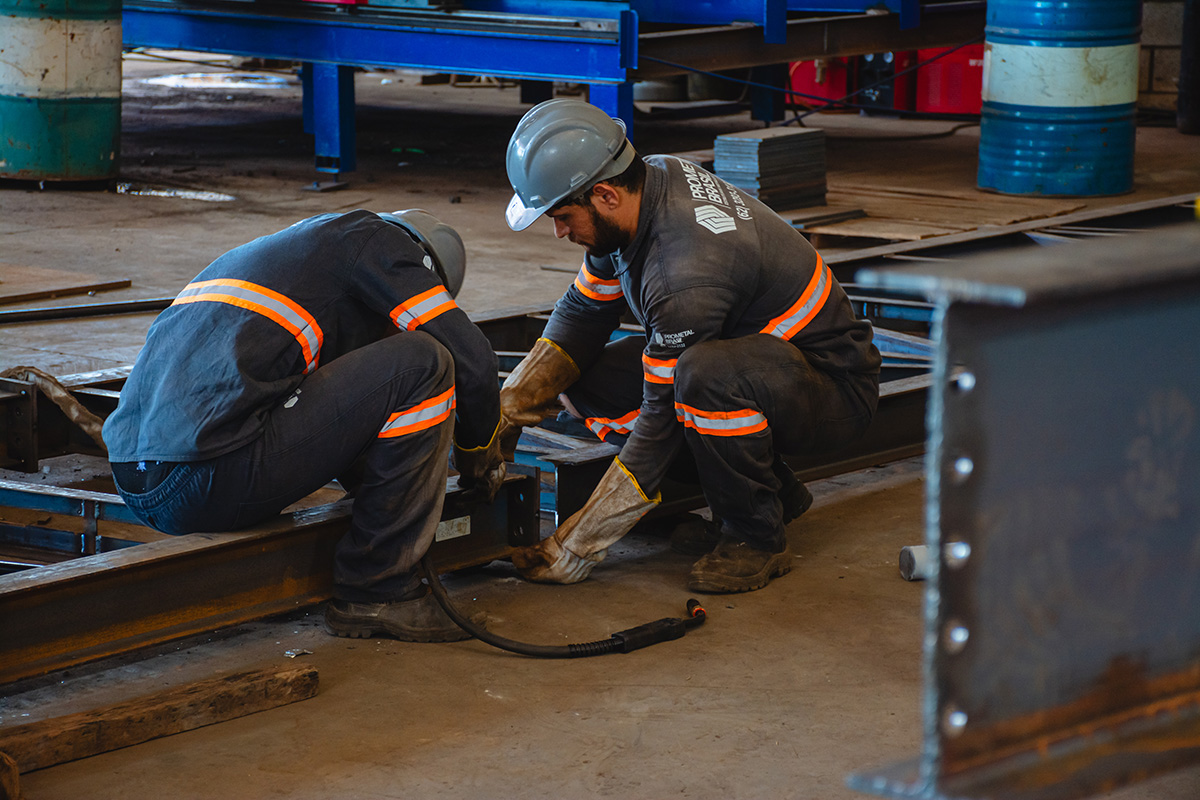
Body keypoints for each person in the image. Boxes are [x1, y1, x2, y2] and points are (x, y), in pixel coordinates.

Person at [499, 99, 881, 593]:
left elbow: (659, 423)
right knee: (586, 378)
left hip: (831, 386)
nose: (559, 231)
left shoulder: (683, 274)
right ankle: (773, 493)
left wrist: (581, 542)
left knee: (704, 378)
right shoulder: (648, 181)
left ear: (605, 195)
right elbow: (582, 312)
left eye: (563, 215)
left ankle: (755, 536)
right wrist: (509, 408)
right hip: (761, 364)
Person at [103, 209, 505, 641]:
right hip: (210, 475)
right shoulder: (377, 242)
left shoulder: (288, 262)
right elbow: (473, 360)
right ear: (421, 266)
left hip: (135, 481)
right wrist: (478, 454)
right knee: (427, 361)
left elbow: (332, 407)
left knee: (387, 371)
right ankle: (379, 590)